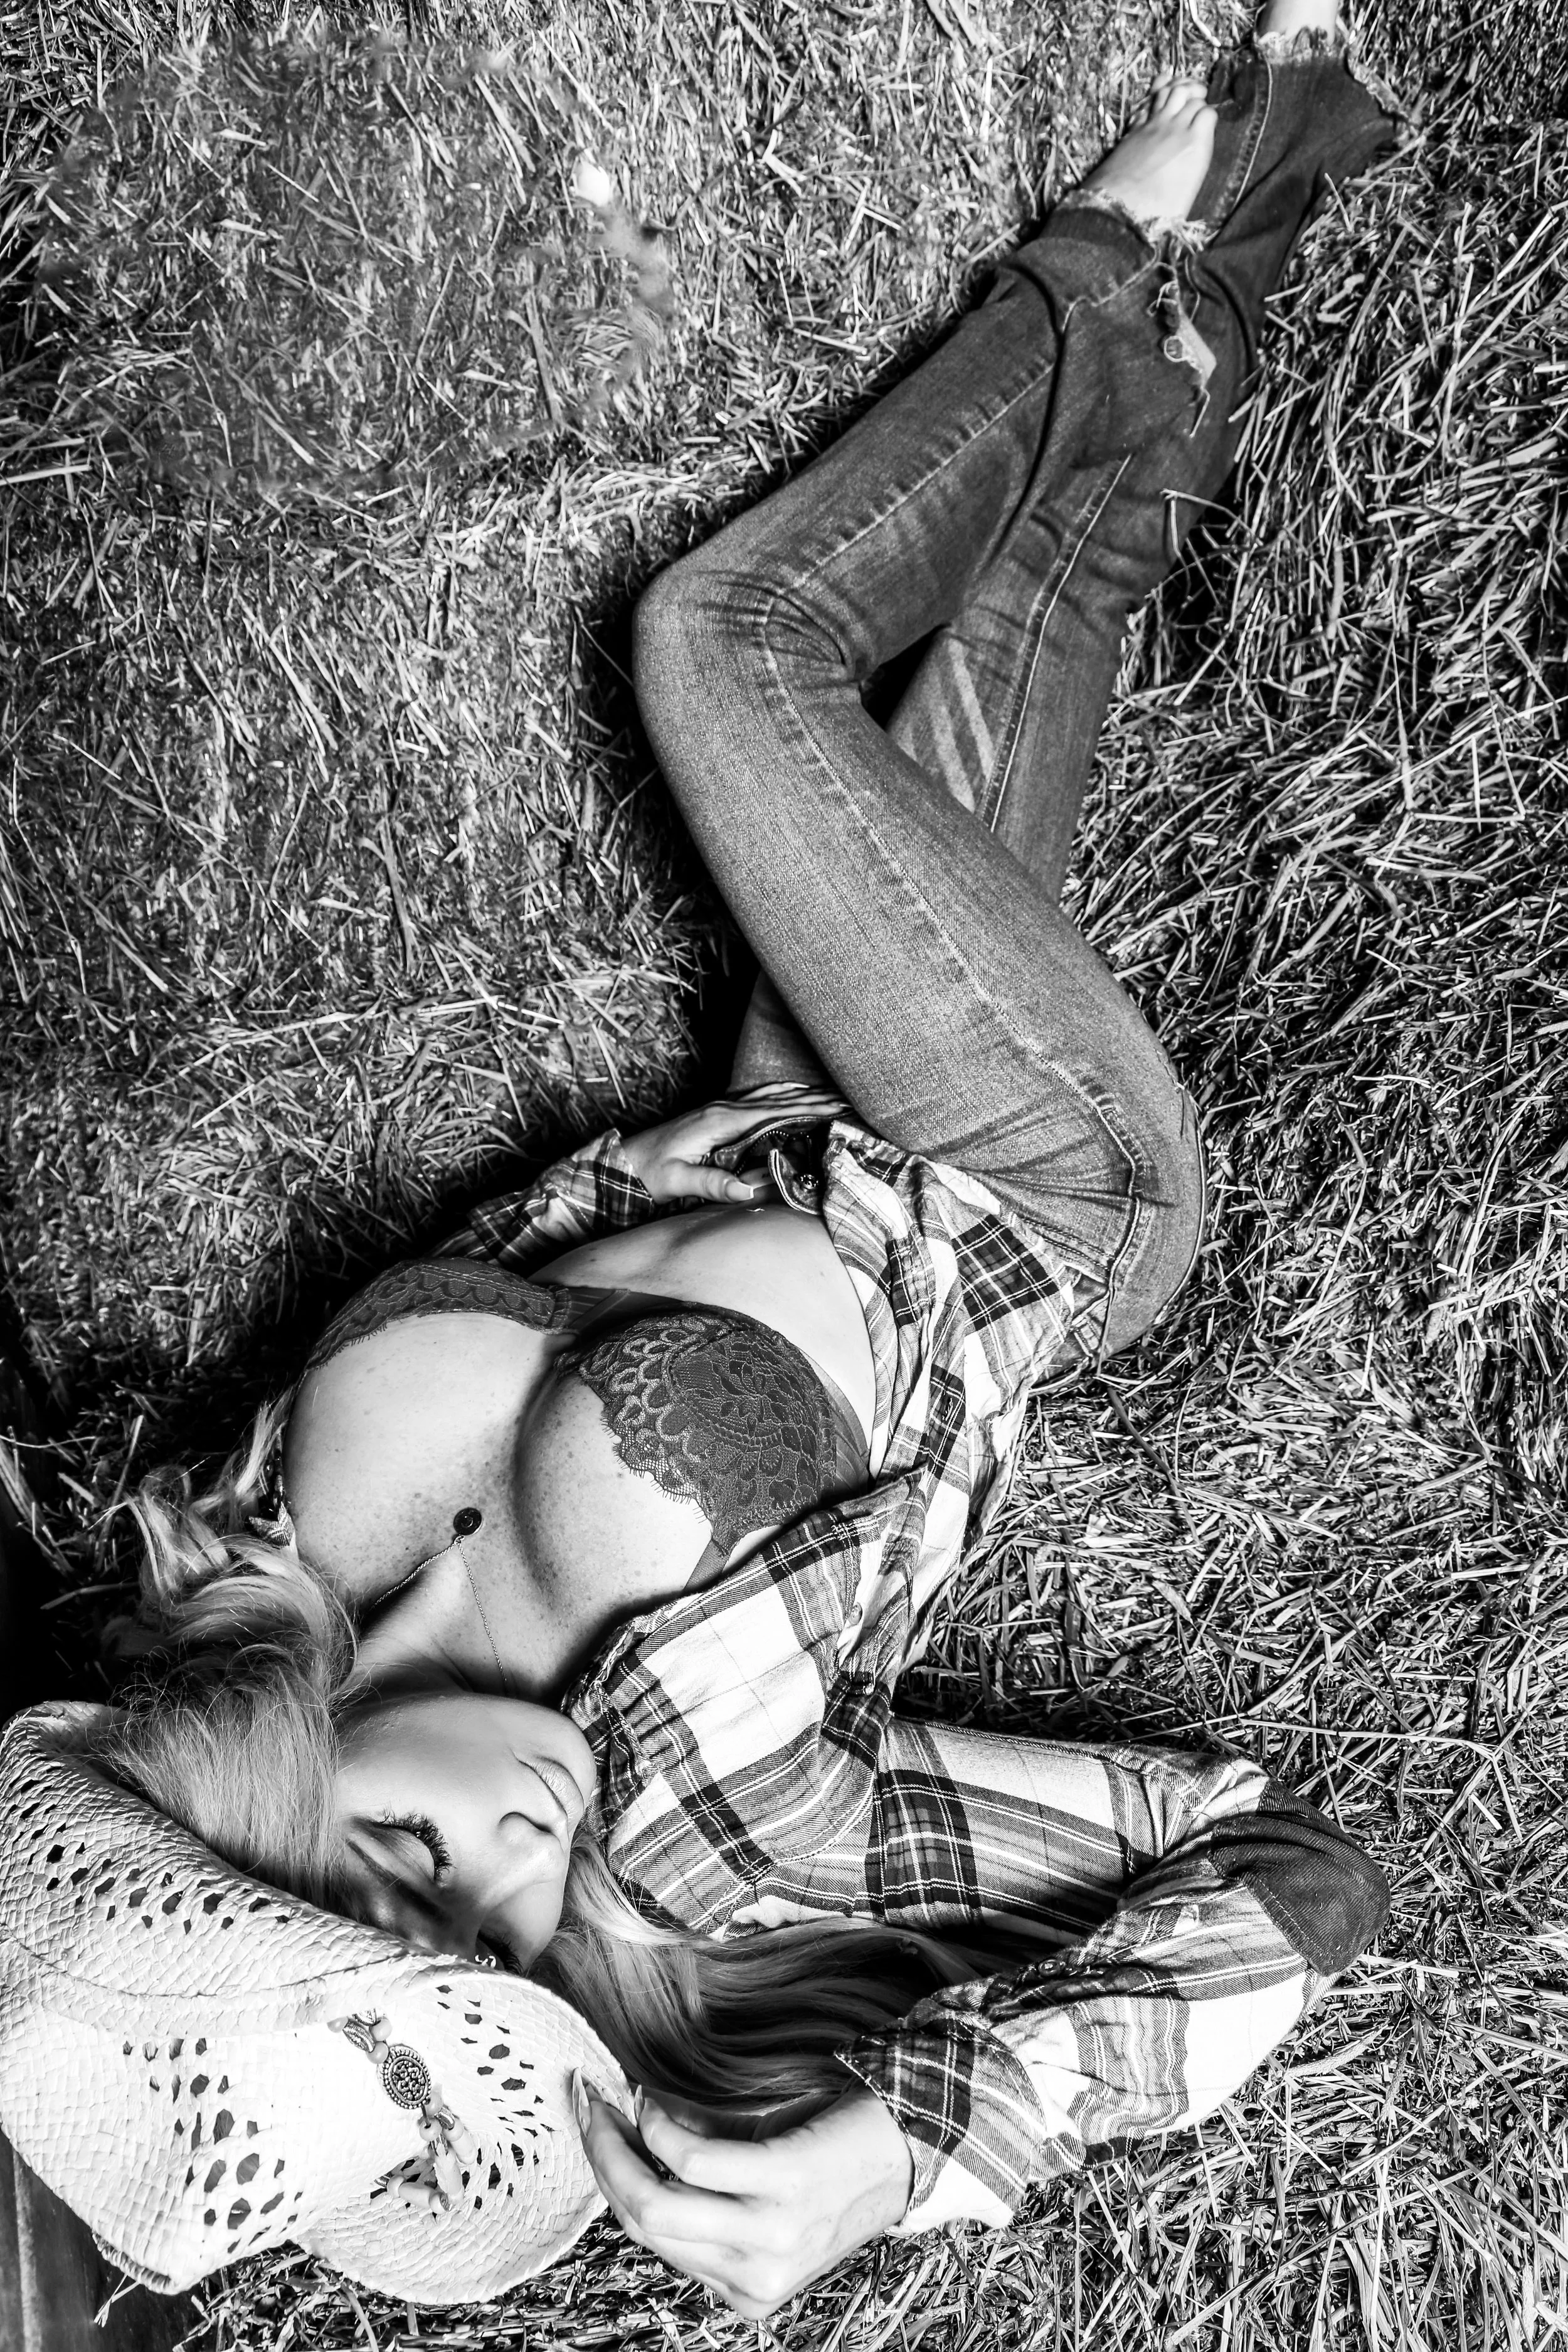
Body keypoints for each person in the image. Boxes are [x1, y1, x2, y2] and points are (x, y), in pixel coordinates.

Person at [28, 1, 1401, 2320]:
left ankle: (1284, 144)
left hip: (778, 1107)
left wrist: (630, 1188)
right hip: (1017, 1182)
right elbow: (1292, 1864)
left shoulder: (260, 1523)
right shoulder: (716, 1838)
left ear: (249, 1776)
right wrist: (920, 2134)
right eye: (500, 1957)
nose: (512, 1872)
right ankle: (1128, 220)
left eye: (399, 1870)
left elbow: (526, 1292)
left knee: (1048, 588)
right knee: (720, 640)